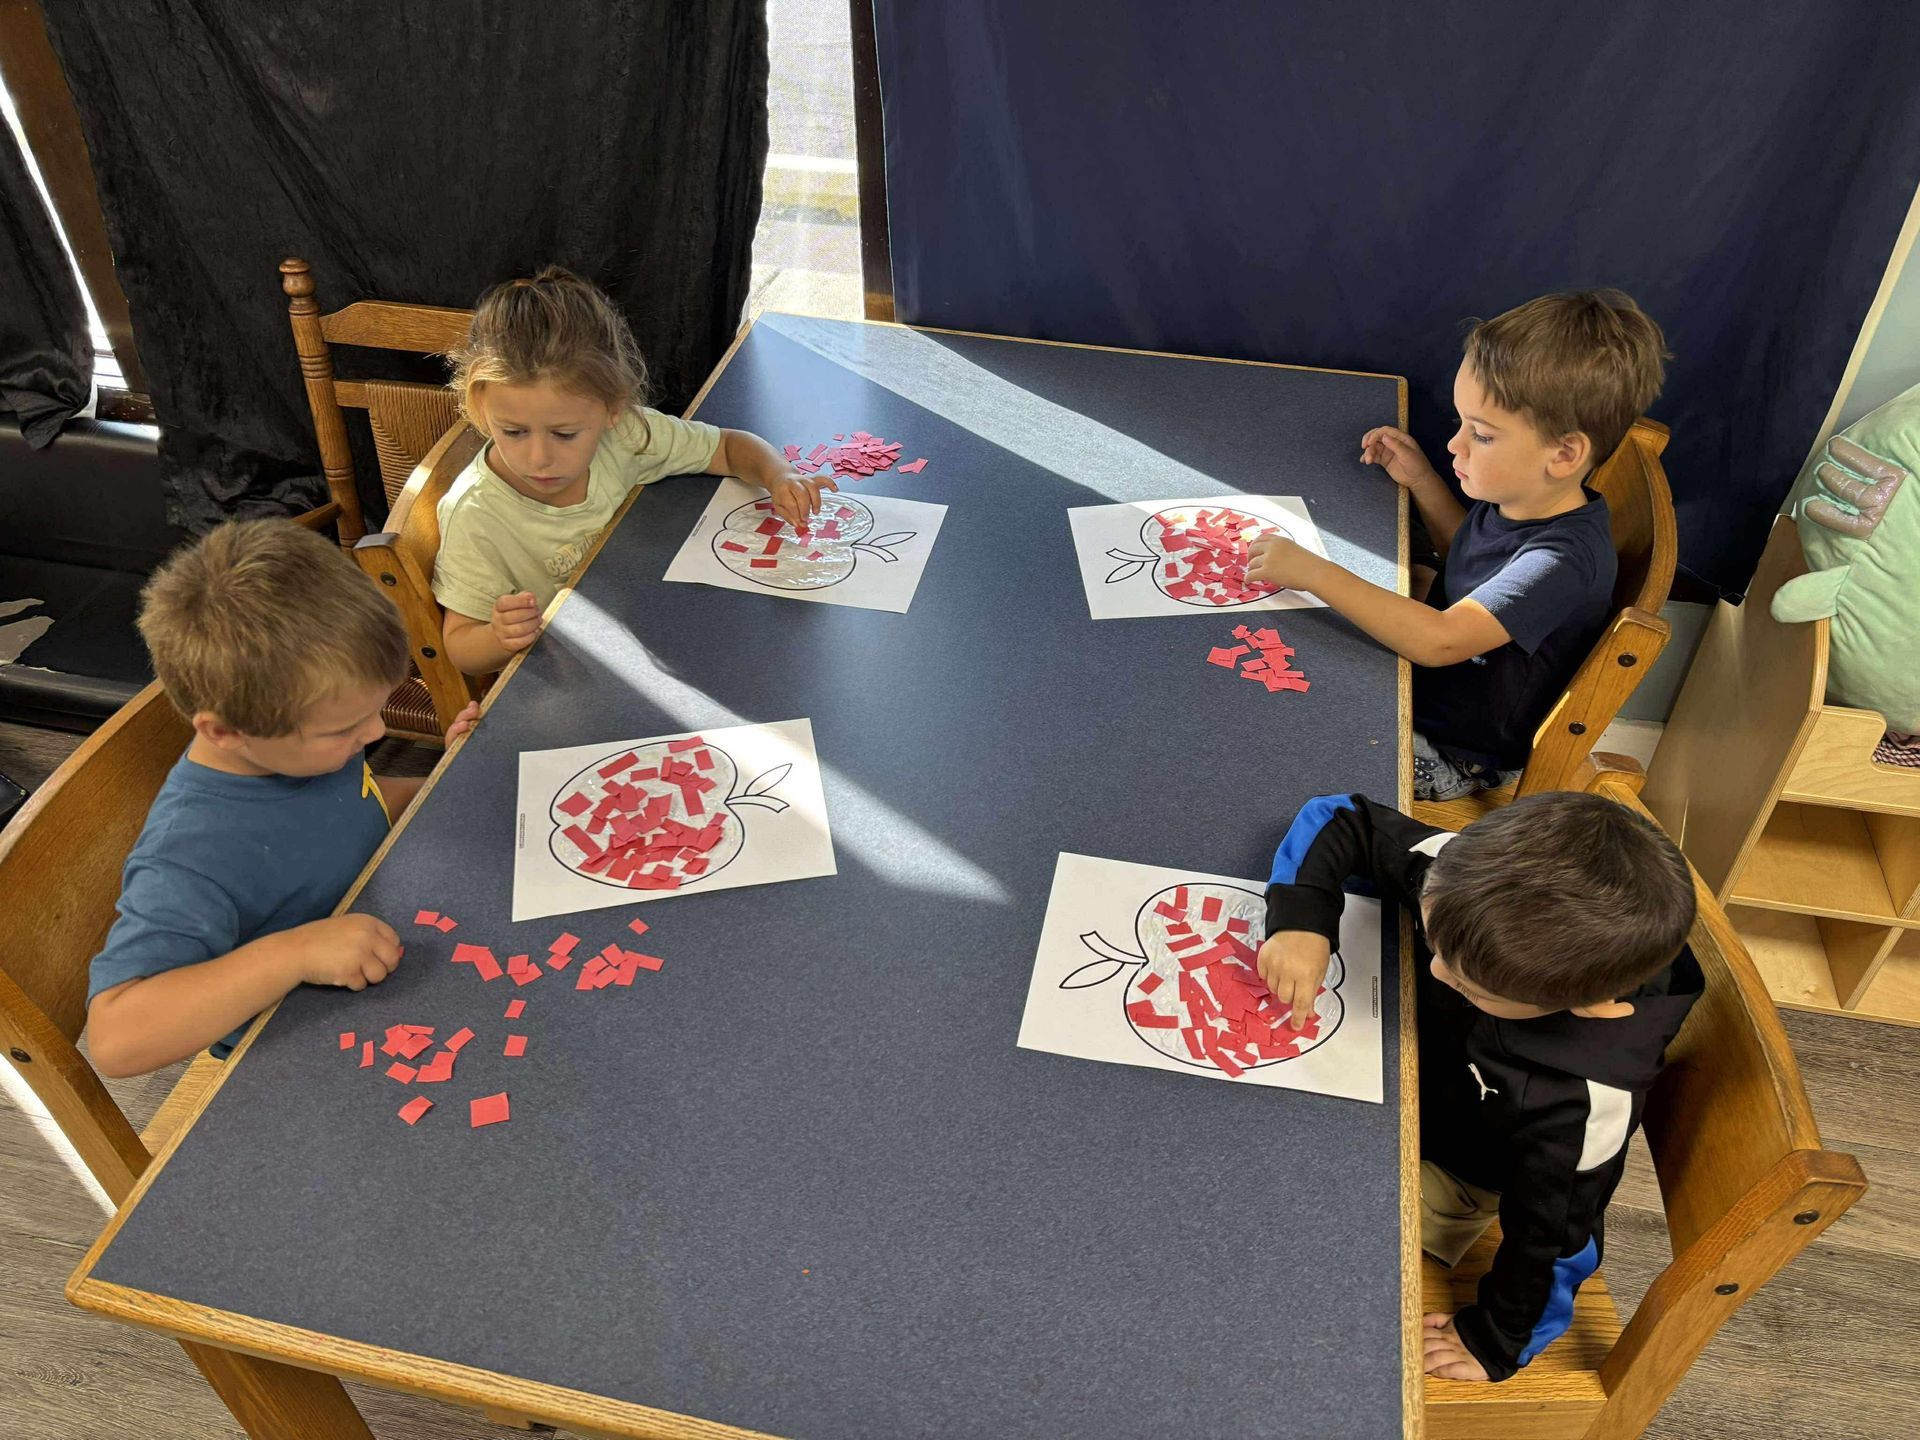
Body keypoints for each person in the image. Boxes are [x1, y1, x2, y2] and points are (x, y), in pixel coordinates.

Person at [1258, 789, 1701, 1381]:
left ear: (1592, 1008)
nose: (1438, 969)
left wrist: (1495, 1341)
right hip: (1408, 1062)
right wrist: (1302, 921)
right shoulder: (1468, 882)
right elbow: (1340, 817)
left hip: (1458, 1168)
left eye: (1472, 986)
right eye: (1432, 939)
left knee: (1282, 1214)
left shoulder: (1582, 1108)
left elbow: (1554, 1244)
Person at [86, 520, 476, 1077]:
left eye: (376, 708)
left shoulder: (307, 747)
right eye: (345, 727)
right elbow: (115, 1040)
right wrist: (292, 954)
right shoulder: (192, 858)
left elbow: (353, 812)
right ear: (224, 732)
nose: (372, 735)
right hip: (298, 1055)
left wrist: (445, 787)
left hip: (389, 966)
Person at [1247, 291, 1668, 799]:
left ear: (1564, 453)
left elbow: (1440, 641)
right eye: (1460, 423)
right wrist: (1424, 481)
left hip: (1455, 753)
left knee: (1275, 739)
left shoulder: (1560, 562)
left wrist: (1313, 572)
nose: (1455, 445)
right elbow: (1470, 555)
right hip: (1425, 688)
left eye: (1482, 436)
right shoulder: (1524, 495)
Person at [434, 265, 835, 673]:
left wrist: (779, 475)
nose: (539, 457)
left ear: (613, 408)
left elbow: (728, 449)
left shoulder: (628, 434)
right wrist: (499, 637)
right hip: (565, 679)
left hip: (648, 635)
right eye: (514, 431)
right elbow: (460, 648)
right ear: (479, 407)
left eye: (566, 434)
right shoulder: (474, 515)